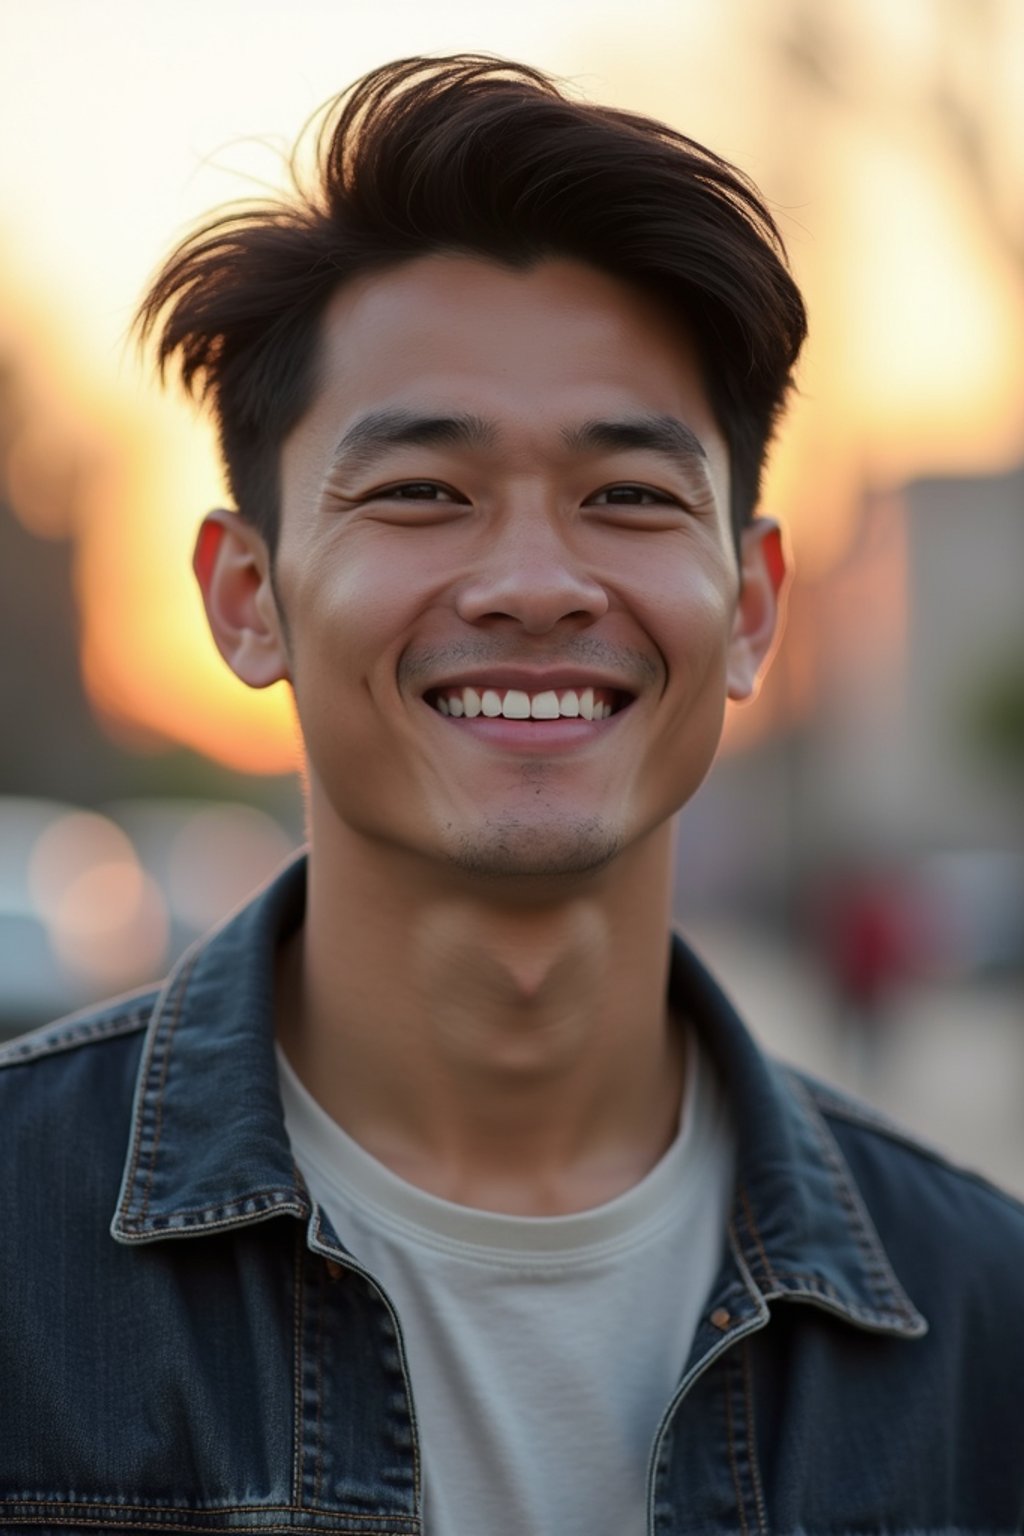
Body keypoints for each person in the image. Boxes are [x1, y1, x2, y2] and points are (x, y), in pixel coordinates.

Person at [1, 54, 1022, 1536]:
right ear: (247, 598)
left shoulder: (980, 1318)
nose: (537, 585)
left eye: (629, 496)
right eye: (422, 492)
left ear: (748, 605)